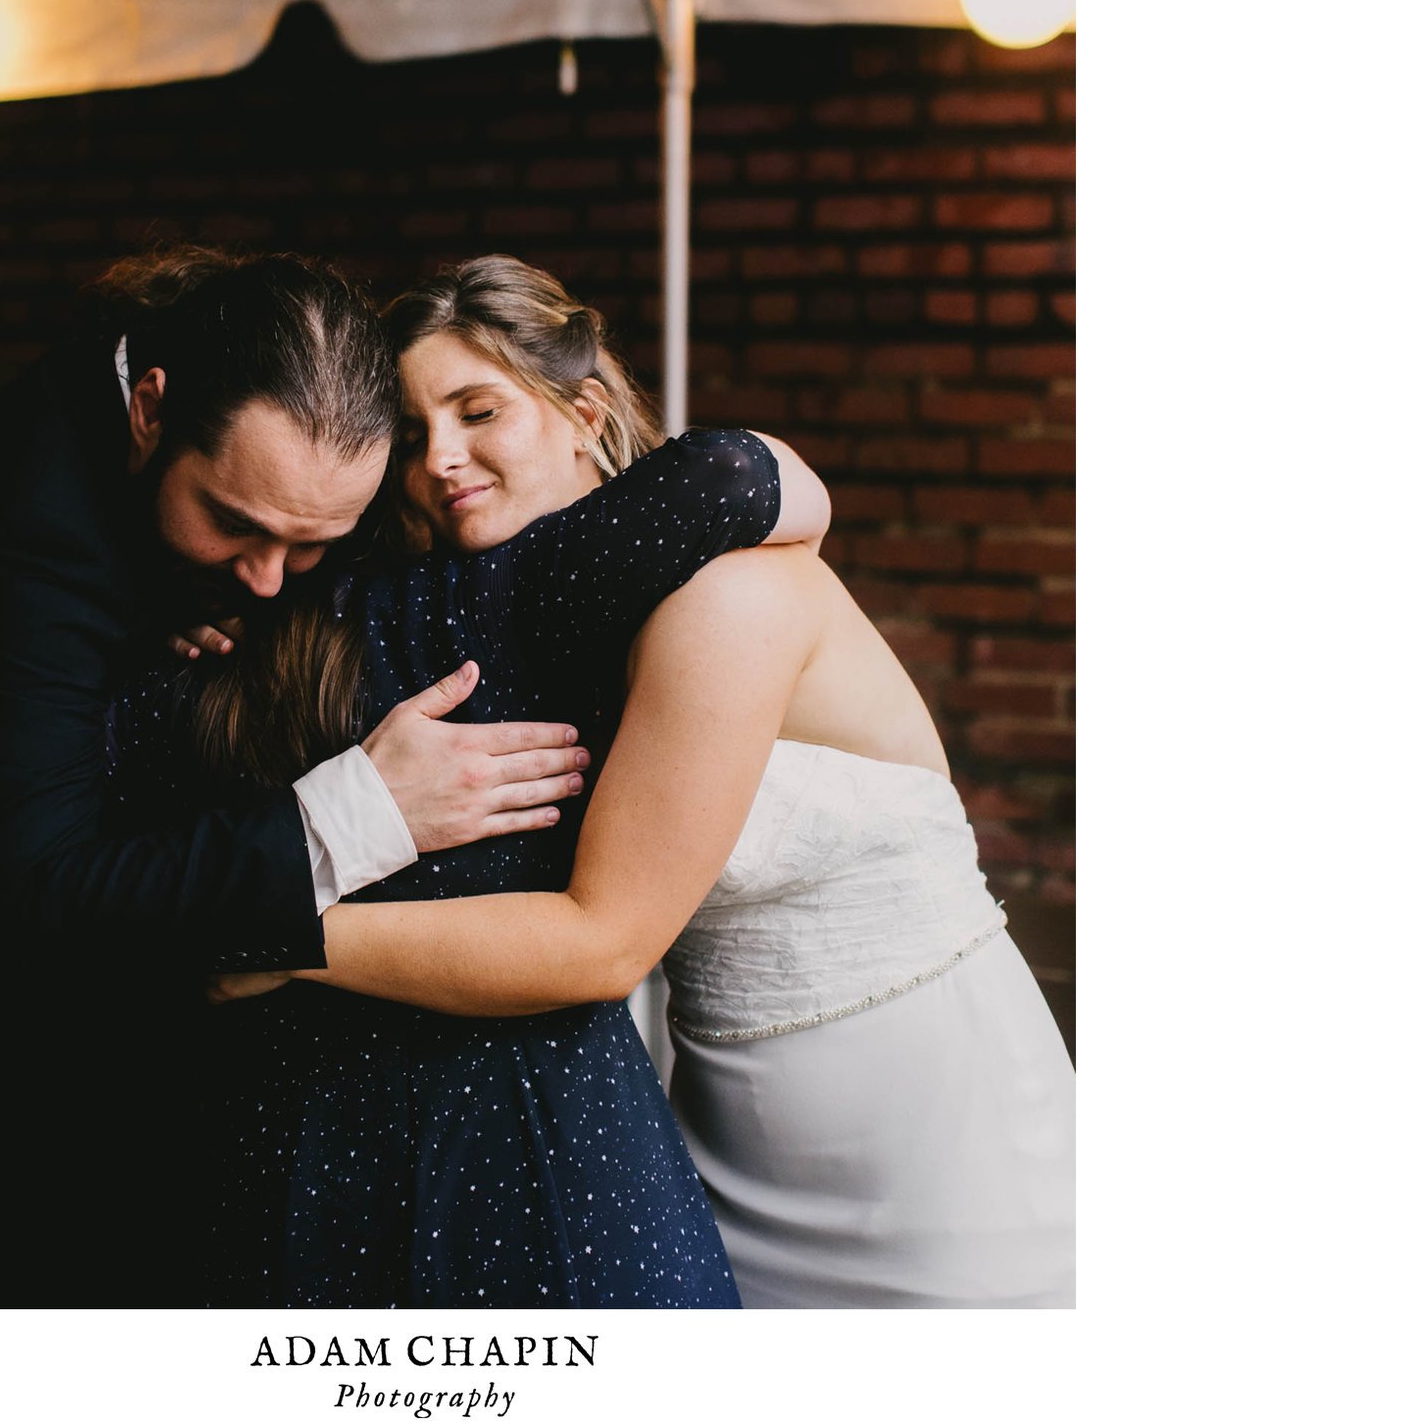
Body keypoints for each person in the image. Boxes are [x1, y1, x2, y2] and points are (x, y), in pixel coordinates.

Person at [0, 261, 834, 1307]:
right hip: (398, 1175)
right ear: (152, 412)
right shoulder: (245, 654)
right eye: (238, 524)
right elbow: (739, 475)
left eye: (309, 538)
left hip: (460, 1174)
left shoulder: (506, 591)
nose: (265, 570)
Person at [218, 257, 1078, 1308]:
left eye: (478, 409)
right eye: (411, 432)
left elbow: (603, 939)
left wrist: (267, 934)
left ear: (582, 413)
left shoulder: (730, 594)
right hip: (718, 1132)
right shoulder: (510, 626)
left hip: (931, 1138)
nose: (441, 457)